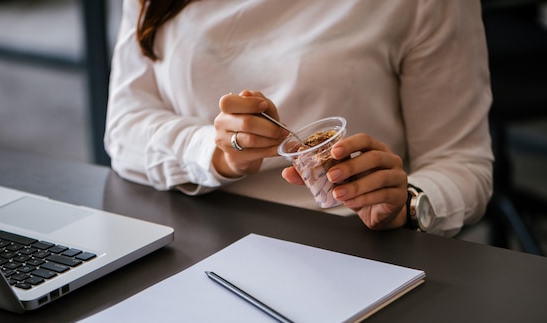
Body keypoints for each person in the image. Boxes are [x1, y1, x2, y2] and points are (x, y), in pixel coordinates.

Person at [105, 0, 493, 236]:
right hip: (190, 233)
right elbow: (125, 126)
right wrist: (214, 151)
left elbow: (462, 163)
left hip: (347, 245)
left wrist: (406, 203)